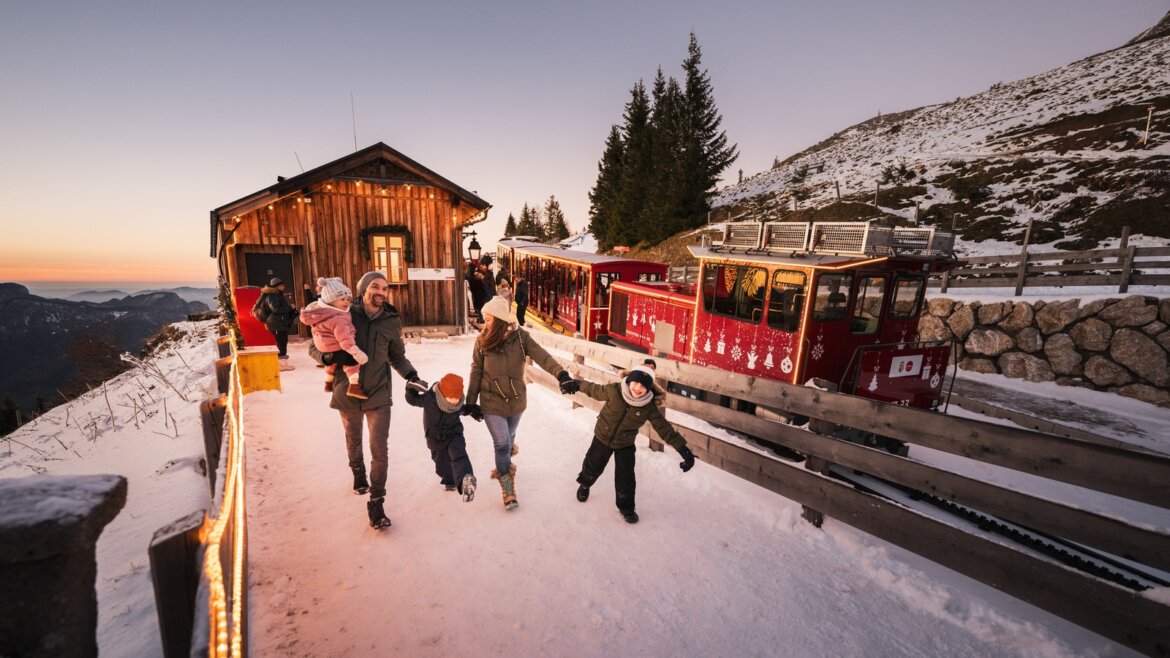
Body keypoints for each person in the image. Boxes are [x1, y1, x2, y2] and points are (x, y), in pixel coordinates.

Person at [308, 271, 430, 529]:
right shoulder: (343, 312)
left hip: (378, 392)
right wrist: (330, 359)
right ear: (363, 289)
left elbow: (397, 356)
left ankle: (376, 502)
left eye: (385, 289)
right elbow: (314, 344)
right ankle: (358, 474)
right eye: (375, 286)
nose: (381, 292)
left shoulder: (391, 321)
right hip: (348, 389)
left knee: (379, 449)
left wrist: (412, 375)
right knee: (353, 439)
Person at [465, 295, 573, 510]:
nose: (484, 323)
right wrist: (470, 402)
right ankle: (507, 487)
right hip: (491, 401)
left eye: (488, 319)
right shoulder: (482, 341)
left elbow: (542, 356)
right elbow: (476, 371)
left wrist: (561, 374)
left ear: (499, 320)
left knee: (509, 437)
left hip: (516, 402)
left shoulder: (521, 338)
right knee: (502, 443)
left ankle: (505, 459)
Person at [559, 364, 695, 524]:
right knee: (593, 464)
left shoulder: (648, 407)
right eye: (635, 382)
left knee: (626, 477)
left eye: (644, 386)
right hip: (603, 435)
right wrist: (576, 384)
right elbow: (594, 389)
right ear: (629, 380)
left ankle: (626, 508)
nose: (638, 388)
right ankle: (584, 485)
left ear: (649, 389)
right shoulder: (614, 390)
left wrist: (683, 450)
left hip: (625, 443)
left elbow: (664, 428)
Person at [404, 373, 478, 502]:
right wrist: (410, 388)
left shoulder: (457, 403)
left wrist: (472, 410)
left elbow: (462, 409)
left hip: (454, 434)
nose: (454, 402)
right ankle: (449, 479)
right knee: (441, 464)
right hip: (434, 438)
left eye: (457, 398)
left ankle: (466, 481)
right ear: (443, 393)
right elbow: (412, 400)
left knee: (459, 455)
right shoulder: (429, 399)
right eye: (451, 398)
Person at [299, 277, 369, 399]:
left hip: (324, 345)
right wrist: (356, 353)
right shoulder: (339, 318)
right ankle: (354, 386)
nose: (347, 302)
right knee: (352, 362)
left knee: (333, 362)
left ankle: (328, 382)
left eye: (348, 299)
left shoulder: (322, 313)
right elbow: (345, 340)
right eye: (342, 299)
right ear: (330, 300)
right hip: (335, 345)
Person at [255, 278, 297, 359]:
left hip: (279, 322)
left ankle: (282, 357)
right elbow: (275, 309)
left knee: (282, 341)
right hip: (276, 323)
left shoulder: (276, 295)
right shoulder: (272, 296)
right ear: (277, 286)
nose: (284, 287)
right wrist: (289, 307)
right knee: (281, 342)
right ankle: (281, 359)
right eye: (282, 285)